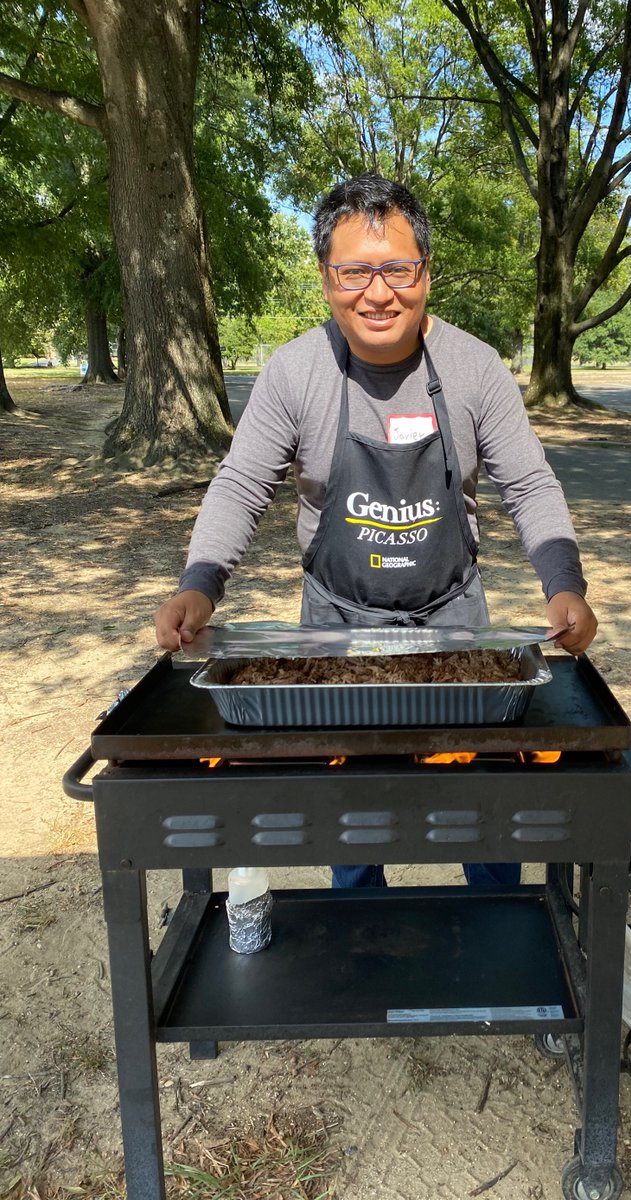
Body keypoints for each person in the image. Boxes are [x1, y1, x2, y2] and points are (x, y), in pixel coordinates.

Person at [155, 172, 598, 889]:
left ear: (426, 271)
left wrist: (564, 584)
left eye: (397, 267)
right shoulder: (295, 372)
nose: (378, 291)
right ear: (326, 278)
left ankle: (497, 921)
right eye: (354, 270)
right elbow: (241, 484)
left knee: (481, 807)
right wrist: (200, 586)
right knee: (350, 813)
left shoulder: (475, 368)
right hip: (336, 631)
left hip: (456, 629)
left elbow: (529, 482)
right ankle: (357, 927)